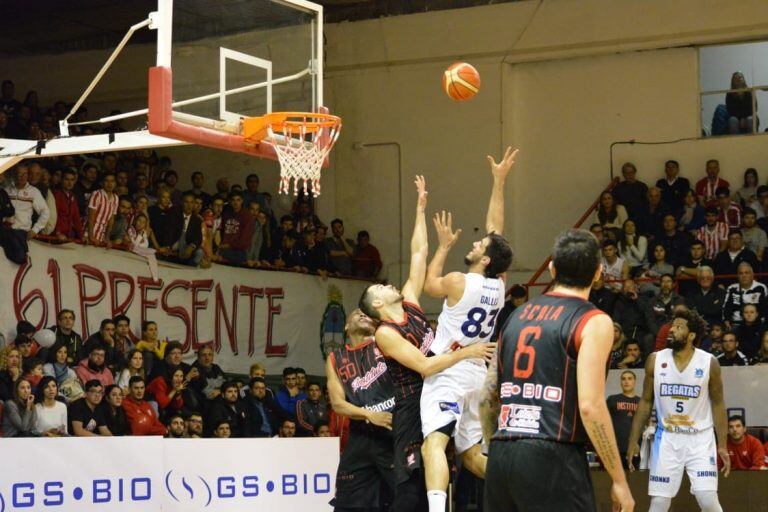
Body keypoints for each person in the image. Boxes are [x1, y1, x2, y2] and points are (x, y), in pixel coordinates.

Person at [358, 175, 495, 512]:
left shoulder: (409, 302)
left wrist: (421, 209)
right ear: (376, 304)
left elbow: (418, 253)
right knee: (410, 479)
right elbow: (424, 365)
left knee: (472, 458)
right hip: (411, 401)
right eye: (379, 287)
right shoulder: (385, 333)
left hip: (443, 383)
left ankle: (519, 490)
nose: (387, 284)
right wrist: (468, 351)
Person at [480, 228, 634, 512]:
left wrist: (496, 450)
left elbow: (487, 396)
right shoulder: (594, 321)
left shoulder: (515, 316)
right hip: (553, 454)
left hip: (501, 452)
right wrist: (619, 479)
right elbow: (589, 406)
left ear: (551, 269)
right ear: (599, 272)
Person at [419, 147, 516, 512]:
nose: (475, 242)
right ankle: (524, 494)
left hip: (449, 369)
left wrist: (443, 247)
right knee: (473, 458)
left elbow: (430, 285)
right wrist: (499, 181)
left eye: (479, 245)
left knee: (435, 444)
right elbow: (497, 230)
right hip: (477, 375)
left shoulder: (459, 280)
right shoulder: (499, 285)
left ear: (484, 259)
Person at [627, 309, 729, 512]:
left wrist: (722, 445)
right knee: (659, 502)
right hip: (667, 439)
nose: (671, 330)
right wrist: (633, 441)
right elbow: (646, 402)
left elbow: (718, 404)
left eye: (679, 327)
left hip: (700, 439)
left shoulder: (709, 362)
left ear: (691, 335)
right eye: (672, 325)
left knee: (707, 499)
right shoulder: (655, 360)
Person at [326, 308, 396, 512]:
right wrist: (369, 414)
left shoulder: (385, 342)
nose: (362, 314)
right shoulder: (335, 358)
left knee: (407, 496)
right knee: (348, 501)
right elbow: (338, 404)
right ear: (346, 326)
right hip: (361, 434)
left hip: (394, 430)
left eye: (367, 314)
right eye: (357, 313)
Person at [4, 163, 50, 240]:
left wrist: (35, 230)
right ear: (14, 175)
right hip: (5, 232)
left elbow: (45, 212)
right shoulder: (7, 190)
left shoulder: (34, 192)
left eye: (25, 174)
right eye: (19, 174)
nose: (22, 177)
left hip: (22, 233)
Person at [607, 370, 641, 468]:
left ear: (635, 381)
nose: (626, 381)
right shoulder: (612, 399)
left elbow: (647, 423)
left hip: (634, 448)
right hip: (615, 448)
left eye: (630, 379)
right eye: (623, 379)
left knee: (635, 479)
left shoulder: (641, 402)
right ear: (620, 382)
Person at [722, 262, 767, 328]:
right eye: (741, 273)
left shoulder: (761, 287)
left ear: (752, 275)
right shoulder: (732, 288)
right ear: (737, 276)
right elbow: (726, 307)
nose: (744, 275)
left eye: (747, 273)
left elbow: (765, 308)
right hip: (736, 324)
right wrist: (726, 321)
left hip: (757, 324)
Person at [218, 190, 255, 265]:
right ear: (230, 201)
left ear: (242, 201)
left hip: (239, 251)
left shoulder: (247, 216)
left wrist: (226, 246)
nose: (235, 203)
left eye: (238, 200)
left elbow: (244, 240)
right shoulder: (225, 213)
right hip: (223, 248)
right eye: (233, 200)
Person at [86, 173, 119, 246]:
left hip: (101, 236)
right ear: (102, 183)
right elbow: (91, 217)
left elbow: (111, 220)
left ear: (115, 183)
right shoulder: (97, 194)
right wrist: (91, 236)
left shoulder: (116, 198)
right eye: (106, 181)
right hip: (88, 234)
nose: (109, 184)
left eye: (112, 181)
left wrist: (107, 238)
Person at [52, 168, 84, 240]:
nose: (69, 183)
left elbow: (76, 218)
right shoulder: (56, 195)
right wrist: (58, 232)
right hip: (55, 236)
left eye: (72, 180)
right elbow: (54, 216)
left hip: (67, 235)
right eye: (67, 179)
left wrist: (81, 236)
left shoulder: (73, 196)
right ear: (61, 180)